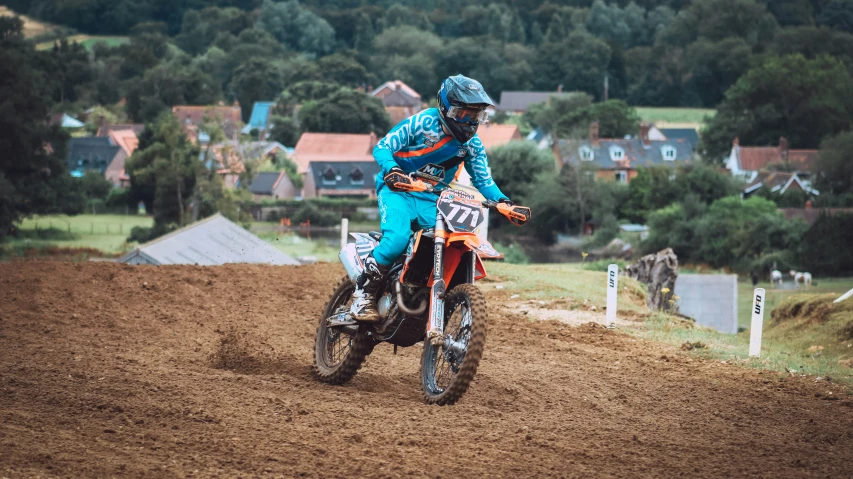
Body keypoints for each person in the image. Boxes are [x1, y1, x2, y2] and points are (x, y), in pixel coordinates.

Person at [350, 75, 513, 322]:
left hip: (432, 199)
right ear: (446, 107)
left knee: (449, 242)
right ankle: (363, 295)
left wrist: (504, 202)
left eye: (476, 115)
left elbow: (483, 180)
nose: (469, 121)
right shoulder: (423, 122)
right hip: (398, 190)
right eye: (463, 114)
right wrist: (393, 170)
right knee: (397, 239)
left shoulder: (472, 145)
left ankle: (421, 292)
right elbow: (383, 147)